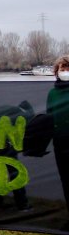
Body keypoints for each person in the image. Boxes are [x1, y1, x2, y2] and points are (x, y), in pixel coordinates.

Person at [47, 54, 69, 225]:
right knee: (65, 180)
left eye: (68, 68)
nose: (65, 71)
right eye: (62, 68)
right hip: (60, 144)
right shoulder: (53, 93)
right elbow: (49, 118)